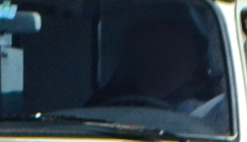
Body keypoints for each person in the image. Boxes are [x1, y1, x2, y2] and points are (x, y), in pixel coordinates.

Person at [90, 17, 228, 128]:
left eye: (168, 56)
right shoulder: (102, 104)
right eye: (147, 54)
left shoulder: (213, 112)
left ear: (191, 66)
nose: (155, 64)